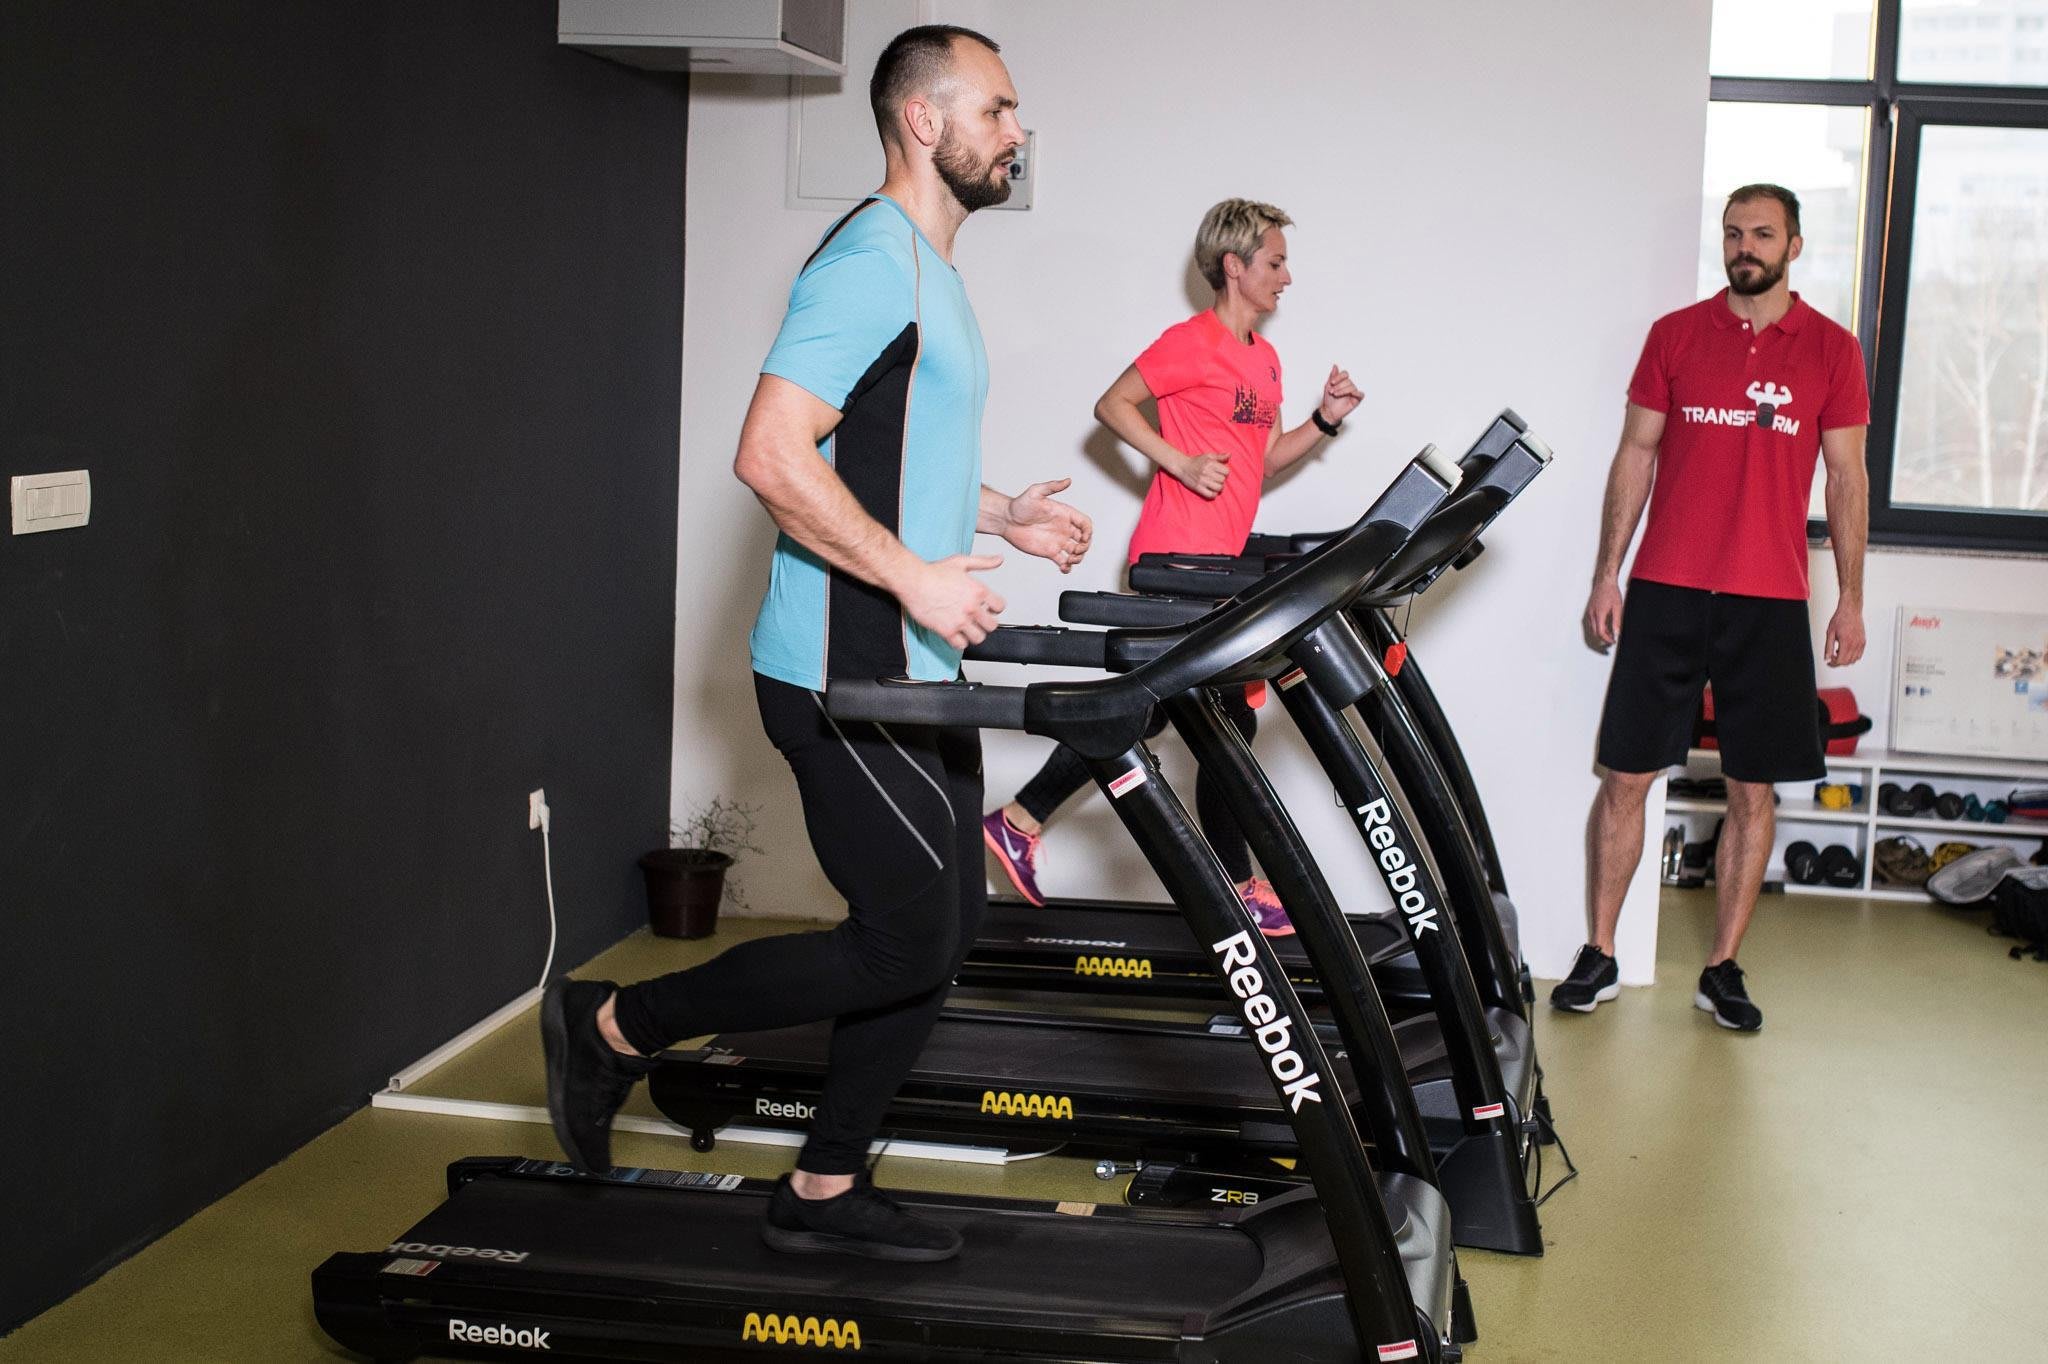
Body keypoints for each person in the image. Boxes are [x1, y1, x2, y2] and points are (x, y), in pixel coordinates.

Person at [541, 24, 1093, 1262]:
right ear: (922, 121)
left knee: (938, 932)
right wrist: (910, 576)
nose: (1017, 133)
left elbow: (877, 454)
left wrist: (997, 512)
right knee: (902, 935)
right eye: (997, 110)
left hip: (912, 670)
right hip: (845, 675)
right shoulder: (870, 263)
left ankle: (826, 1185)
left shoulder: (928, 271)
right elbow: (769, 453)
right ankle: (616, 1025)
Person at [979, 198, 1363, 935]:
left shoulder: (1265, 359)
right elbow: (1112, 404)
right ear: (1234, 265)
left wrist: (1324, 419)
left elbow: (1265, 460)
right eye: (1275, 262)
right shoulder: (1191, 343)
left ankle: (1021, 820)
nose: (1287, 277)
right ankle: (1235, 883)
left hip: (1219, 568)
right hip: (1173, 559)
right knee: (1215, 720)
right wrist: (1179, 462)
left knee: (1173, 713)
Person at [1553, 183, 1869, 1031]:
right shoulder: (1677, 335)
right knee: (1627, 775)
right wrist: (1607, 573)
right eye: (1733, 233)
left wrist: (1850, 600)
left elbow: (1846, 479)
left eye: (1762, 234)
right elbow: (1636, 453)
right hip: (1669, 585)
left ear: (1793, 245)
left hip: (1772, 596)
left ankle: (1721, 966)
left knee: (1752, 789)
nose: (1744, 247)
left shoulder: (1832, 350)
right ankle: (1600, 951)